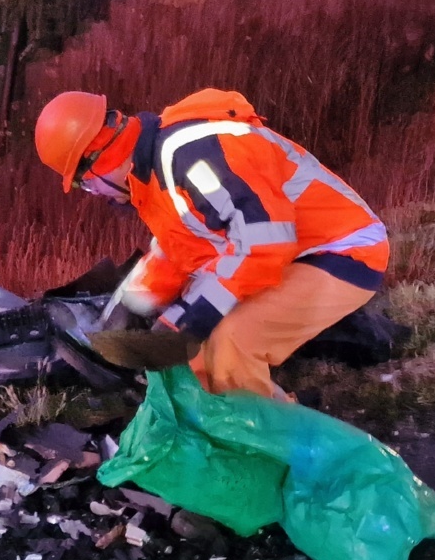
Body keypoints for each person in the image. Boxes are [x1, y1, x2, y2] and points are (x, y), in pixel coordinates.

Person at [34, 88, 387, 400]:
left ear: (97, 161)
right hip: (294, 254)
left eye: (83, 184)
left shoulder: (193, 159)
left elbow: (265, 242)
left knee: (231, 341)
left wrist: (190, 319)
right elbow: (178, 252)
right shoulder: (156, 171)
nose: (93, 194)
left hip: (343, 251)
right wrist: (131, 308)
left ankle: (270, 445)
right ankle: (258, 414)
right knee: (199, 353)